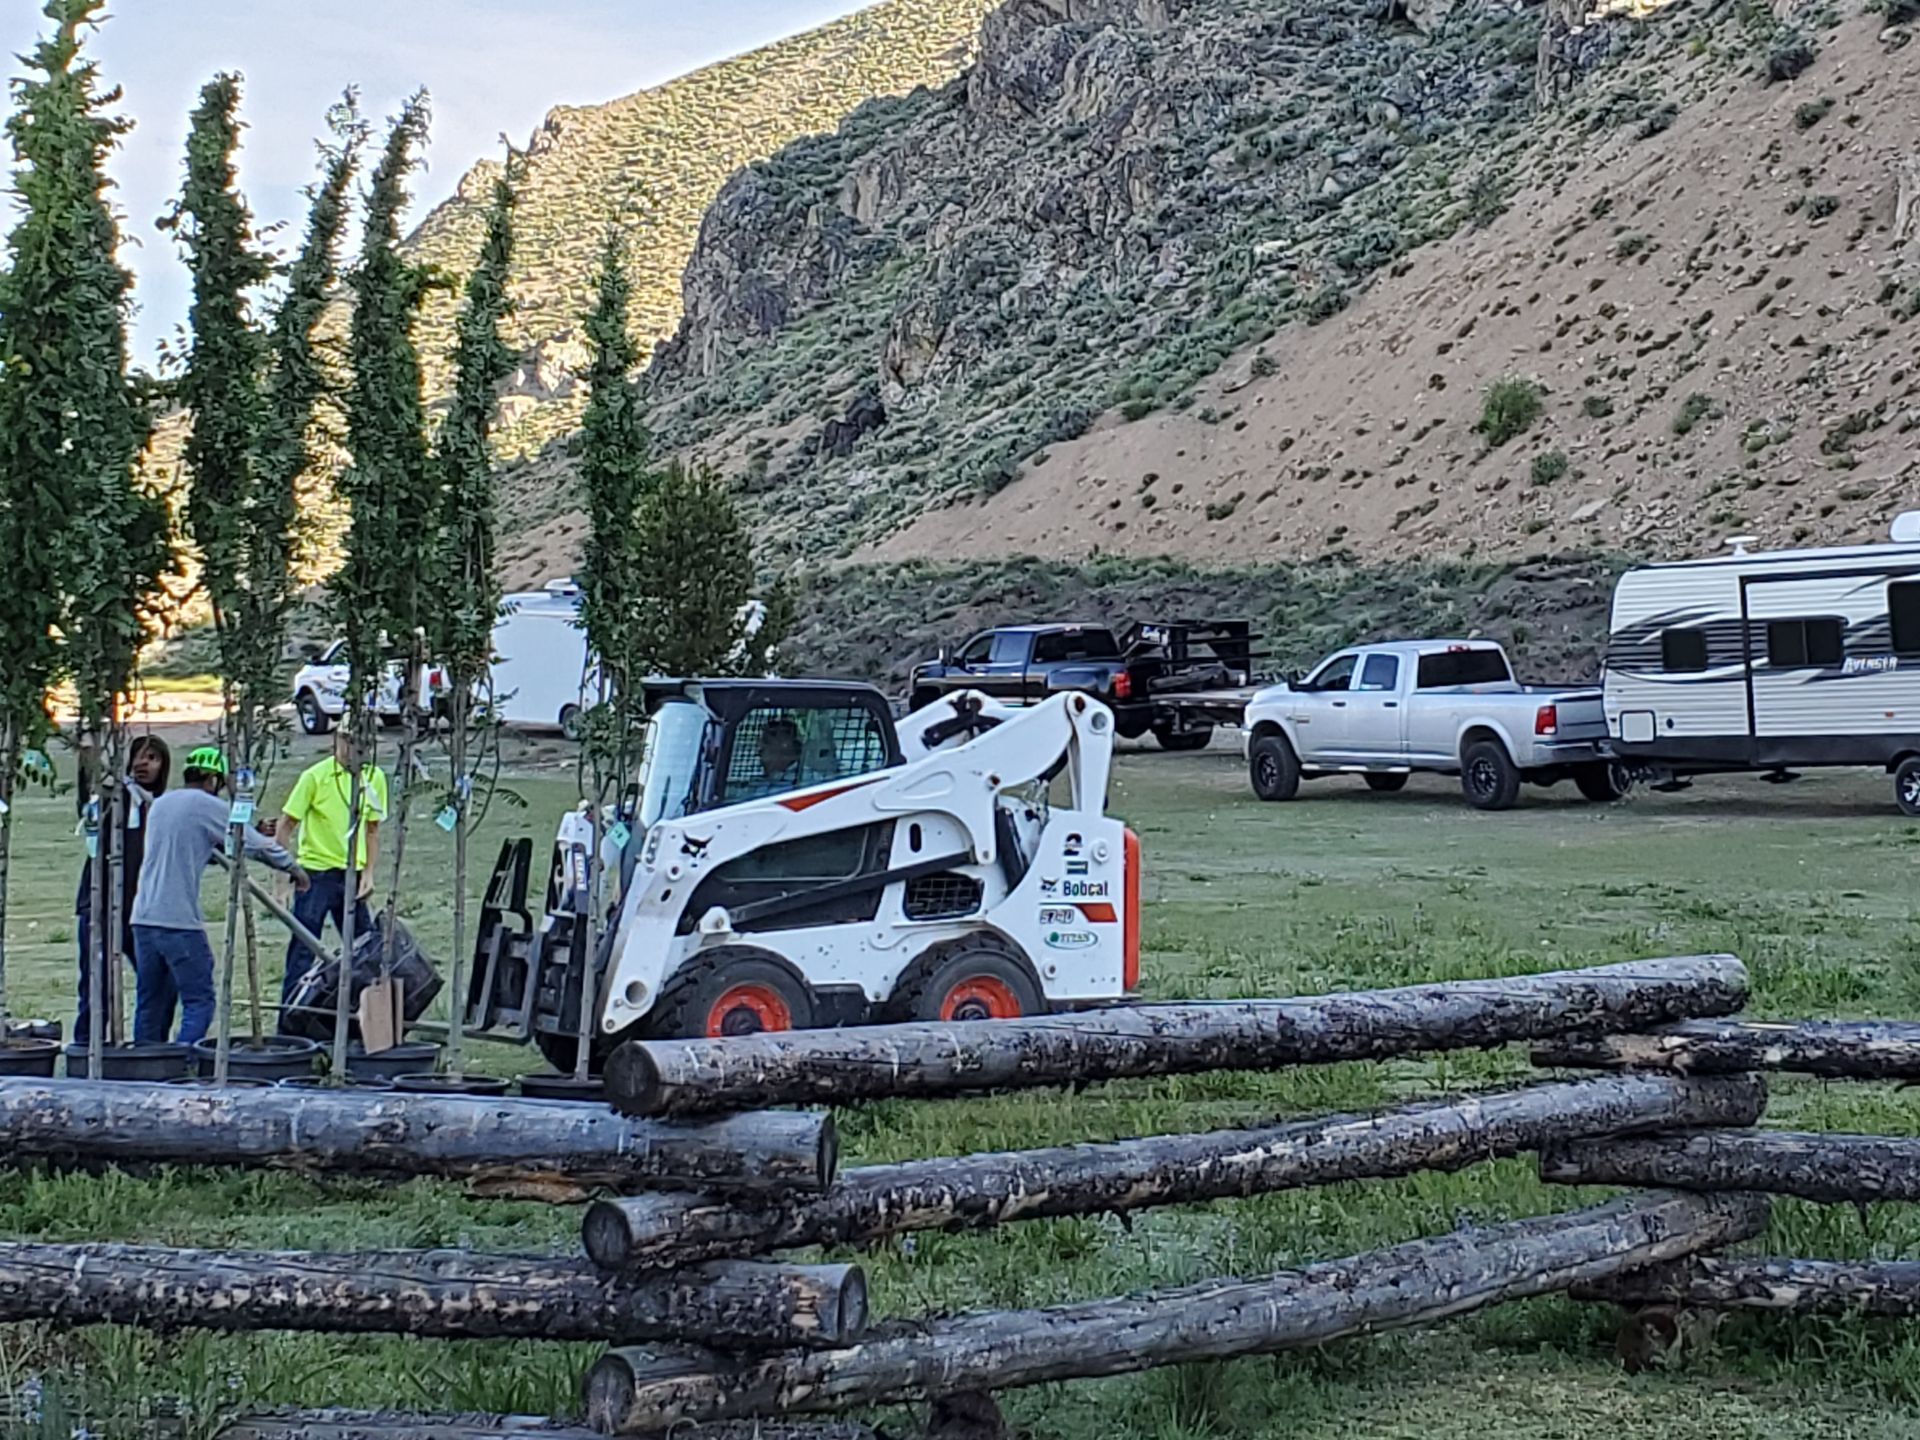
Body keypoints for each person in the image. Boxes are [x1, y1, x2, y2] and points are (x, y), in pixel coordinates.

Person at [130, 746, 308, 1046]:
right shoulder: (207, 805)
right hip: (179, 922)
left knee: (151, 1004)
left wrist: (247, 831)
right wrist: (294, 869)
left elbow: (201, 846)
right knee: (200, 1001)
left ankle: (146, 1068)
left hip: (143, 919)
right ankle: (183, 1061)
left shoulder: (162, 804)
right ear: (213, 780)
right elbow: (255, 846)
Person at [275, 728, 389, 1017]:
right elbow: (286, 824)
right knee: (303, 948)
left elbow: (373, 829)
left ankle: (369, 1019)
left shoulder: (373, 777)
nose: (353, 748)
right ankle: (289, 1020)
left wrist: (369, 873)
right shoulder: (315, 776)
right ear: (336, 740)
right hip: (316, 874)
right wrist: (282, 877)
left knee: (365, 947)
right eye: (347, 740)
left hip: (352, 873)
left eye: (360, 740)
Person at [74, 734, 171, 1045]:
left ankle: (151, 1046)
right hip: (100, 904)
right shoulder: (114, 797)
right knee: (96, 987)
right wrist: (88, 756)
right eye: (139, 756)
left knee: (163, 981)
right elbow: (87, 797)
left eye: (153, 758)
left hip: (140, 912)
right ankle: (89, 1050)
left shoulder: (160, 808)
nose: (144, 763)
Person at [734, 716, 805, 801]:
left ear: (785, 746)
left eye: (766, 742)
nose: (759, 748)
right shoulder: (756, 784)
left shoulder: (808, 782)